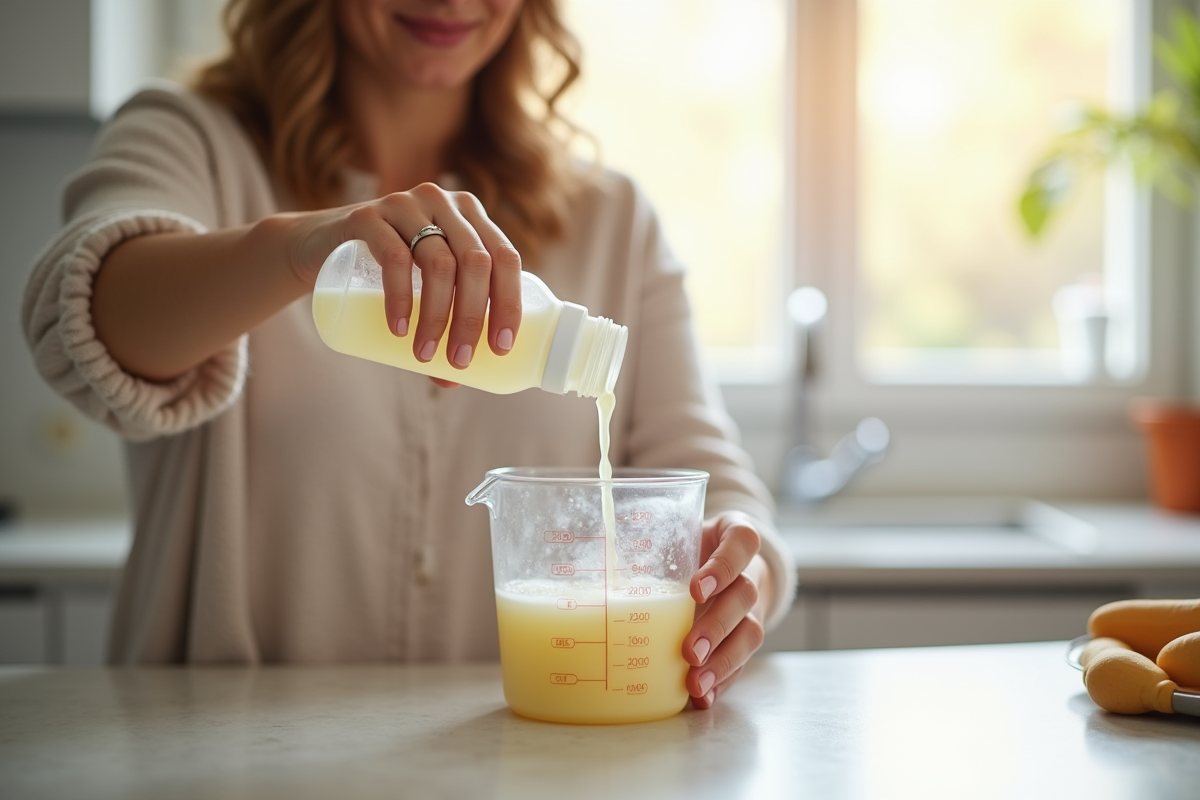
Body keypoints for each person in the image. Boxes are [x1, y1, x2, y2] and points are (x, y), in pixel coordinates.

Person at [22, 0, 795, 709]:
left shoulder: (612, 221)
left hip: (516, 768)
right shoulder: (189, 140)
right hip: (222, 759)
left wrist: (739, 576)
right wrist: (300, 250)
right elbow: (86, 322)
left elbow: (708, 483)